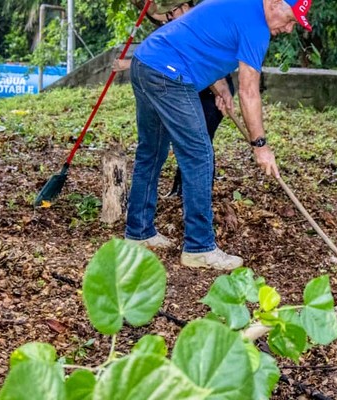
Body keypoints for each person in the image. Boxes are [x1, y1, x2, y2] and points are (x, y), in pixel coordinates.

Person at [124, 0, 312, 270]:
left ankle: (138, 233)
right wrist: (260, 145)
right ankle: (199, 247)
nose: (289, 29)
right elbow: (249, 91)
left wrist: (220, 86)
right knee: (199, 157)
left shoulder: (241, 5)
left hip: (146, 62)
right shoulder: (257, 27)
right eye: (290, 19)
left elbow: (202, 40)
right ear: (274, 3)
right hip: (169, 73)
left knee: (151, 151)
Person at [113, 0, 235, 197]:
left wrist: (127, 64)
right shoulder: (176, 21)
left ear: (185, 6)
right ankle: (180, 190)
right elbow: (160, 45)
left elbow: (202, 59)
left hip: (213, 89)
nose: (168, 18)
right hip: (188, 85)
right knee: (185, 143)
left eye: (171, 13)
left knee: (199, 143)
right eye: (167, 15)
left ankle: (194, 195)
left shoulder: (199, 21)